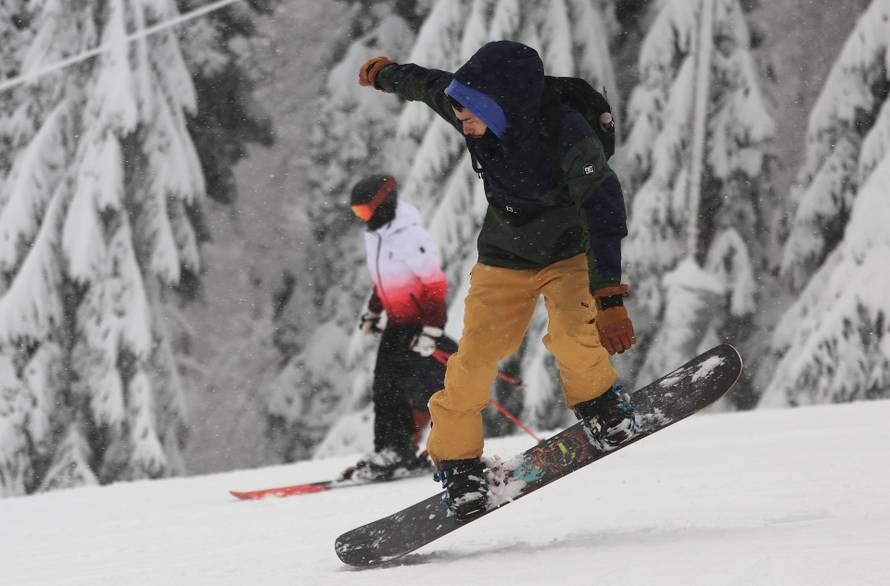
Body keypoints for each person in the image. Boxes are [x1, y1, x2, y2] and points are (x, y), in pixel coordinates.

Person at [356, 41, 638, 519]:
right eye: (460, 114)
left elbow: (603, 207)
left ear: (499, 105)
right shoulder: (473, 108)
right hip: (504, 258)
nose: (462, 124)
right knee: (472, 362)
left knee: (574, 336)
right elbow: (428, 85)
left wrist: (608, 294)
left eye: (469, 116)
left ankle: (599, 404)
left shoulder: (568, 133)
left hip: (570, 254)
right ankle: (458, 464)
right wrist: (386, 73)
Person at [342, 174, 450, 482]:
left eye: (365, 212)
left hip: (416, 323)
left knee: (394, 386)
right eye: (358, 214)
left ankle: (398, 450)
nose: (363, 220)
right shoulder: (375, 235)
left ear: (383, 203)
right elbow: (384, 280)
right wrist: (372, 313)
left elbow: (434, 284)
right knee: (383, 386)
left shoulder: (409, 236)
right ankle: (389, 449)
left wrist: (432, 329)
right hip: (395, 321)